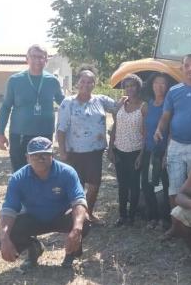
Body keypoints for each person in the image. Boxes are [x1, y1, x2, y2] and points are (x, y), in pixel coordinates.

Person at [0, 137, 90, 269]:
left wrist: (76, 229)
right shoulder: (17, 178)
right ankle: (33, 249)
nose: (40, 159)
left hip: (60, 216)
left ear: (52, 155)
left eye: (44, 155)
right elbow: (9, 210)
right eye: (35, 155)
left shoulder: (67, 172)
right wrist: (4, 238)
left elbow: (79, 201)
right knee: (8, 230)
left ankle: (71, 254)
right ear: (27, 158)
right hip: (33, 218)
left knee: (84, 222)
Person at [154, 54, 191, 238]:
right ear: (182, 68)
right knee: (174, 188)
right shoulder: (174, 91)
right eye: (186, 66)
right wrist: (159, 130)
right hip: (176, 145)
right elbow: (166, 115)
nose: (190, 69)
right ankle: (177, 226)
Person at [56, 67, 117, 224]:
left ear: (94, 84)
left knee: (95, 184)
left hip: (96, 151)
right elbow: (61, 129)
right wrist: (62, 151)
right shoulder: (68, 103)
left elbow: (120, 107)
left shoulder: (100, 100)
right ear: (78, 83)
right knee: (77, 186)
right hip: (75, 152)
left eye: (90, 82)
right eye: (83, 81)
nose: (86, 84)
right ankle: (75, 216)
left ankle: (89, 213)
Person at [0, 44, 65, 172]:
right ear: (26, 59)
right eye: (33, 56)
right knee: (20, 171)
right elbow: (5, 107)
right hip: (20, 135)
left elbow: (65, 104)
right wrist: (0, 133)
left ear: (46, 60)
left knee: (43, 171)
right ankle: (20, 192)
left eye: (41, 57)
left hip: (45, 134)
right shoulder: (15, 80)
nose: (37, 60)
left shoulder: (52, 81)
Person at [109, 74, 145, 226]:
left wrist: (141, 155)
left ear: (138, 87)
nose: (130, 88)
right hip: (119, 150)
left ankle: (132, 216)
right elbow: (115, 127)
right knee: (122, 185)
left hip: (135, 151)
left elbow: (146, 134)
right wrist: (110, 148)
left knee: (134, 185)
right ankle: (122, 215)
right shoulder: (121, 103)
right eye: (127, 86)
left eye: (133, 85)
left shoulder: (144, 106)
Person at [137, 72, 172, 230]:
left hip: (163, 151)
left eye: (163, 83)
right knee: (146, 184)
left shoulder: (170, 104)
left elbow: (171, 131)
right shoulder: (147, 105)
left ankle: (165, 219)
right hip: (149, 151)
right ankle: (152, 216)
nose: (160, 86)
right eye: (156, 83)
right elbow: (145, 130)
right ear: (152, 85)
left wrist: (167, 154)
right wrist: (141, 152)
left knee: (165, 186)